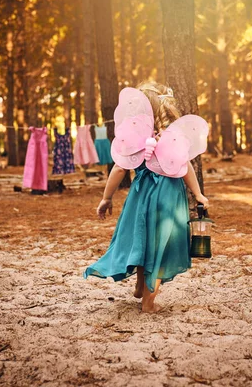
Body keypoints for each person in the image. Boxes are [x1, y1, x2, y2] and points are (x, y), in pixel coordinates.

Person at [83, 82, 209, 313]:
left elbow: (119, 169)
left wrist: (106, 198)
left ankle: (141, 287)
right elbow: (187, 166)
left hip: (141, 197)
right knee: (160, 246)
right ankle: (148, 303)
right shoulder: (174, 136)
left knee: (143, 241)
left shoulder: (135, 137)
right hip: (168, 199)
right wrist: (198, 194)